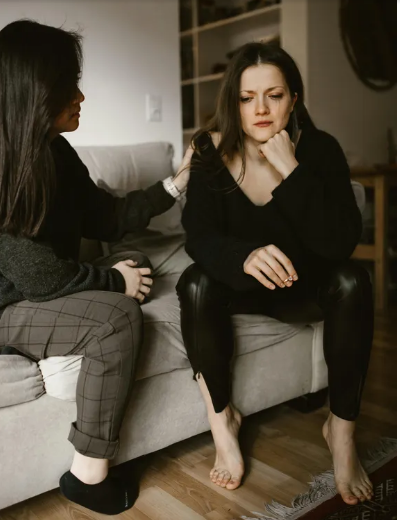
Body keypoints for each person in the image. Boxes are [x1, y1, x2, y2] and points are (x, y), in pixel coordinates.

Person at [0, 19, 192, 516]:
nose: (81, 96)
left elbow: (106, 217)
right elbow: (38, 277)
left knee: (136, 262)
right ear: (36, 92)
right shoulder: (5, 164)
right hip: (7, 308)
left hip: (42, 288)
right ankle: (88, 475)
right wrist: (112, 283)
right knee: (117, 317)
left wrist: (176, 183)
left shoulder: (57, 152)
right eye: (70, 86)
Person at [176, 41, 374, 506]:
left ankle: (340, 430)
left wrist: (292, 171)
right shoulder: (209, 151)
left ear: (294, 99)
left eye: (275, 95)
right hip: (241, 288)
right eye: (247, 98)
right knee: (194, 283)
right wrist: (242, 256)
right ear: (234, 102)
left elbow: (339, 244)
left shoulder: (320, 149)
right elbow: (198, 236)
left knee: (354, 279)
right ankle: (223, 421)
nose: (261, 109)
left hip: (304, 287)